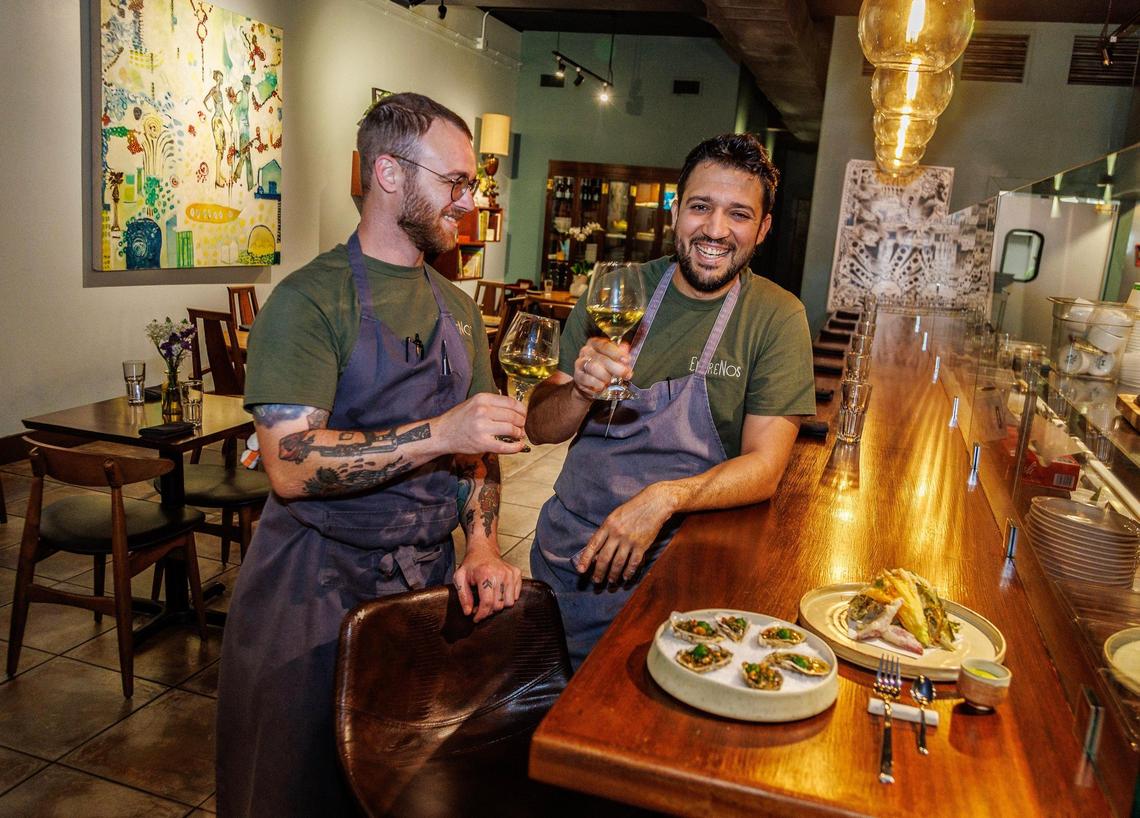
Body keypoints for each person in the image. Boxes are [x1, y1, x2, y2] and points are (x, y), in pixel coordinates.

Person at [216, 92, 528, 817]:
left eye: (470, 183)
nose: (469, 199)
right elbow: (290, 466)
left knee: (401, 792)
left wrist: (479, 544)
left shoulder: (456, 309)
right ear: (388, 173)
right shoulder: (309, 302)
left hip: (420, 592)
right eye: (455, 181)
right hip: (312, 593)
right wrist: (441, 432)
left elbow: (476, 454)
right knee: (293, 792)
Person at [526, 133, 816, 668]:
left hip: (680, 575)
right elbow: (540, 428)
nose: (715, 230)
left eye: (739, 214)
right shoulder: (615, 289)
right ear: (675, 209)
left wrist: (664, 498)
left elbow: (766, 466)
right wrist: (580, 390)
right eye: (700, 207)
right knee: (549, 729)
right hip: (569, 559)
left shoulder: (777, 317)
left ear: (764, 228)